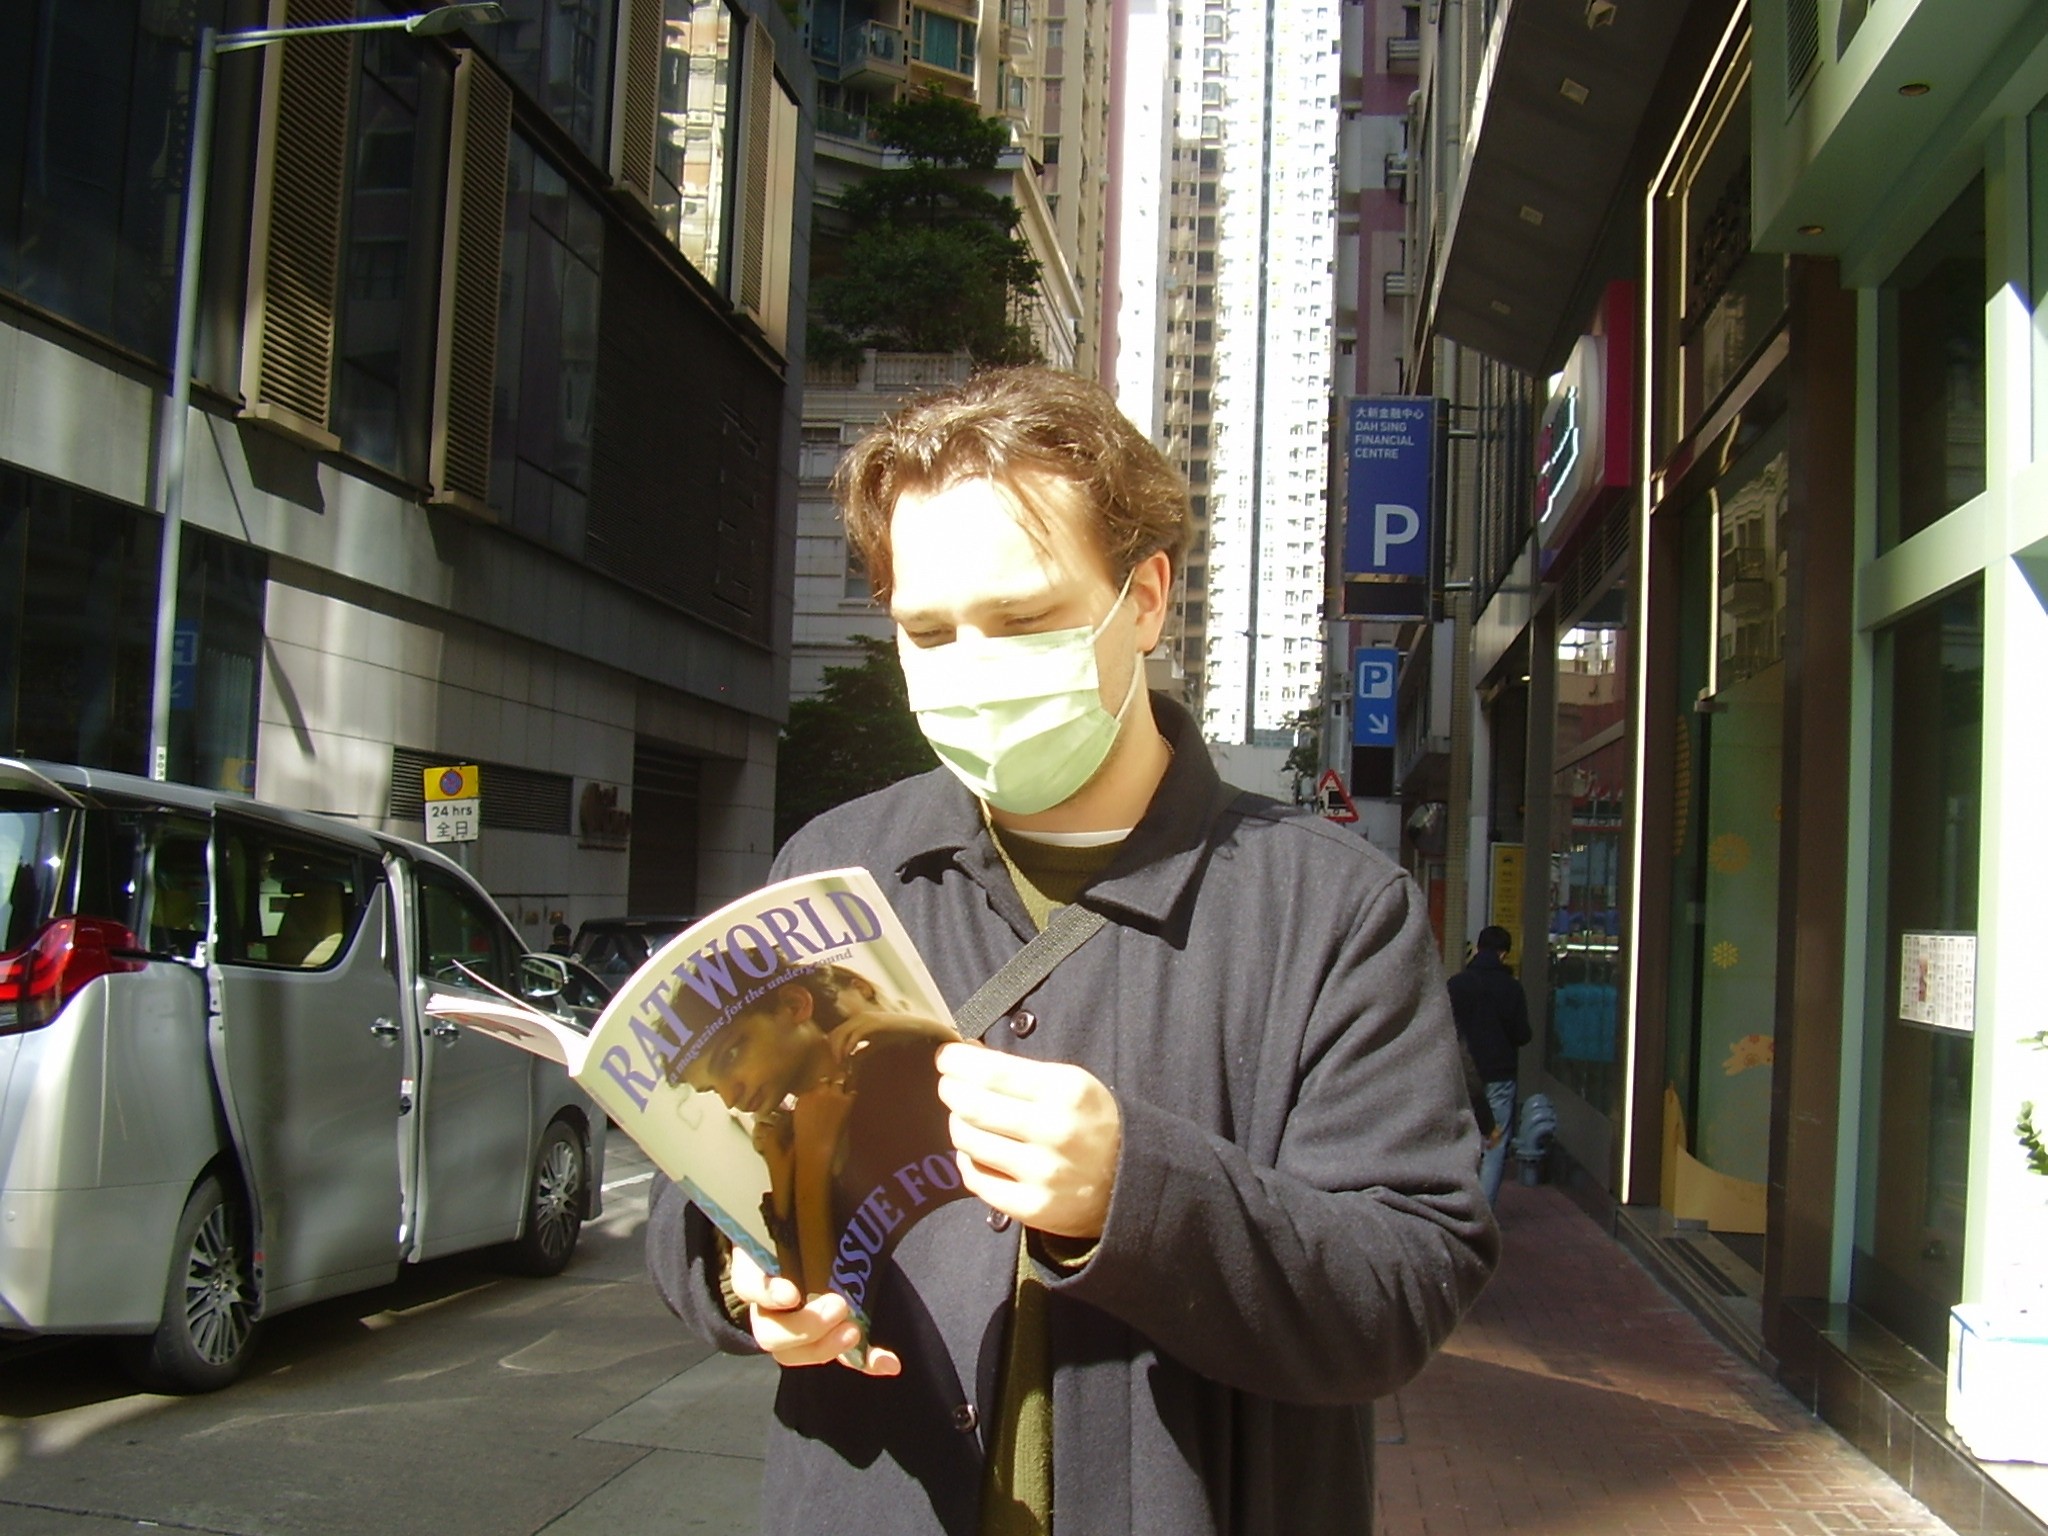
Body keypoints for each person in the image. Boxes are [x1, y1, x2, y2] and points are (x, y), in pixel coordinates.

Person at [645, 366, 1498, 1535]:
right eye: (926, 632)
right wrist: (748, 1281)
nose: (971, 667)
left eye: (1024, 618)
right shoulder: (834, 863)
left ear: (1142, 600)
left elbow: (1403, 1284)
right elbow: (697, 1184)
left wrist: (1130, 1191)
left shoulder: (1334, 910)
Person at [676, 961, 959, 1298]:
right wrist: (786, 1172)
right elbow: (808, 1305)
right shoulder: (788, 1140)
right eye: (711, 1089)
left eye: (731, 1054)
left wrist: (920, 1029)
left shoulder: (905, 1071)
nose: (728, 1097)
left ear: (796, 1005)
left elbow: (832, 1303)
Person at [1447, 924, 1533, 1205]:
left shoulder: (1457, 985)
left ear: (1478, 949)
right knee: (1494, 1145)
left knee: (1459, 1140)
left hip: (1460, 1073)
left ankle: (1456, 1205)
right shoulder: (1512, 988)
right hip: (1499, 1074)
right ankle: (1483, 1214)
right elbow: (1522, 1034)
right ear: (1503, 954)